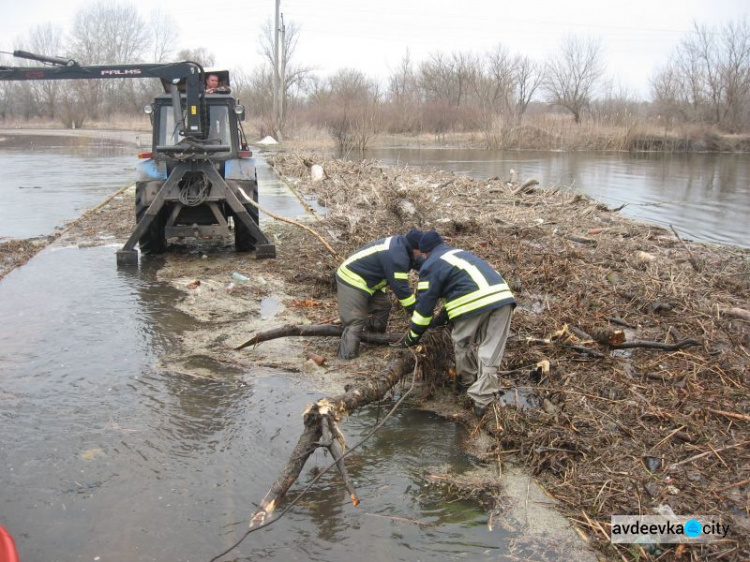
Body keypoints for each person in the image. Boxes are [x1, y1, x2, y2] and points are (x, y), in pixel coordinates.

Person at [403, 231, 516, 415]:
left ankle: (466, 384)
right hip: (503, 298)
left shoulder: (430, 265)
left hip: (471, 303)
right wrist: (439, 321)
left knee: (462, 344)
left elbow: (424, 308)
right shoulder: (460, 254)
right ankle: (482, 401)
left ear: (424, 253)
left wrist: (413, 336)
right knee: (491, 351)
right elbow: (461, 286)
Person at [336, 228, 423, 359]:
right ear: (415, 249)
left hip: (370, 281)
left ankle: (374, 337)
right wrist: (417, 313)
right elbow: (402, 291)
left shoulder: (405, 246)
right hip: (352, 277)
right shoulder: (397, 257)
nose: (423, 254)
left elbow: (421, 263)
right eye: (422, 252)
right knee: (355, 321)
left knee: (383, 305)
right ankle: (346, 357)